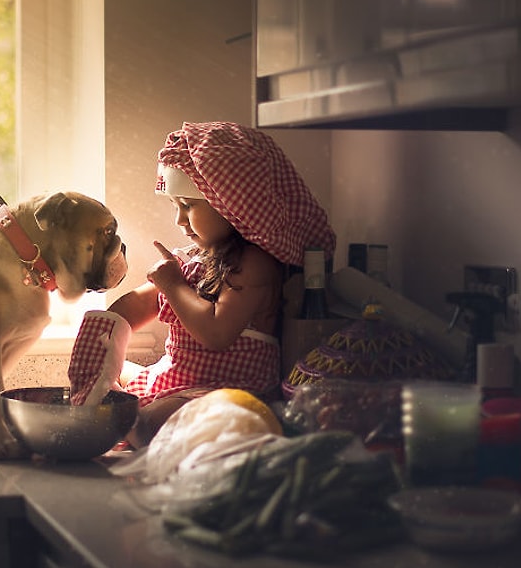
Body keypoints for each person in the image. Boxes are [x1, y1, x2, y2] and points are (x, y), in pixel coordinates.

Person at [67, 121, 335, 447]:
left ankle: (127, 424)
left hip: (222, 392)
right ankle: (119, 416)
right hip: (179, 379)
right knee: (119, 373)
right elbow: (139, 304)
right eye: (176, 206)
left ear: (232, 205)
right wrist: (105, 334)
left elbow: (216, 334)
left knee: (156, 419)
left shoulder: (255, 263)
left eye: (189, 206)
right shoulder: (197, 259)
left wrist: (173, 285)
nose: (179, 220)